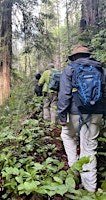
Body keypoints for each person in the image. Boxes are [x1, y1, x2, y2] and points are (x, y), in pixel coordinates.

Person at [57, 44, 106, 192]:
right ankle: (90, 189)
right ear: (88, 55)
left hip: (74, 113)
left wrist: (62, 115)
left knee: (66, 135)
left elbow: (64, 95)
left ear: (74, 57)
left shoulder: (70, 69)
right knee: (90, 148)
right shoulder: (101, 70)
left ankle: (74, 168)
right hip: (96, 113)